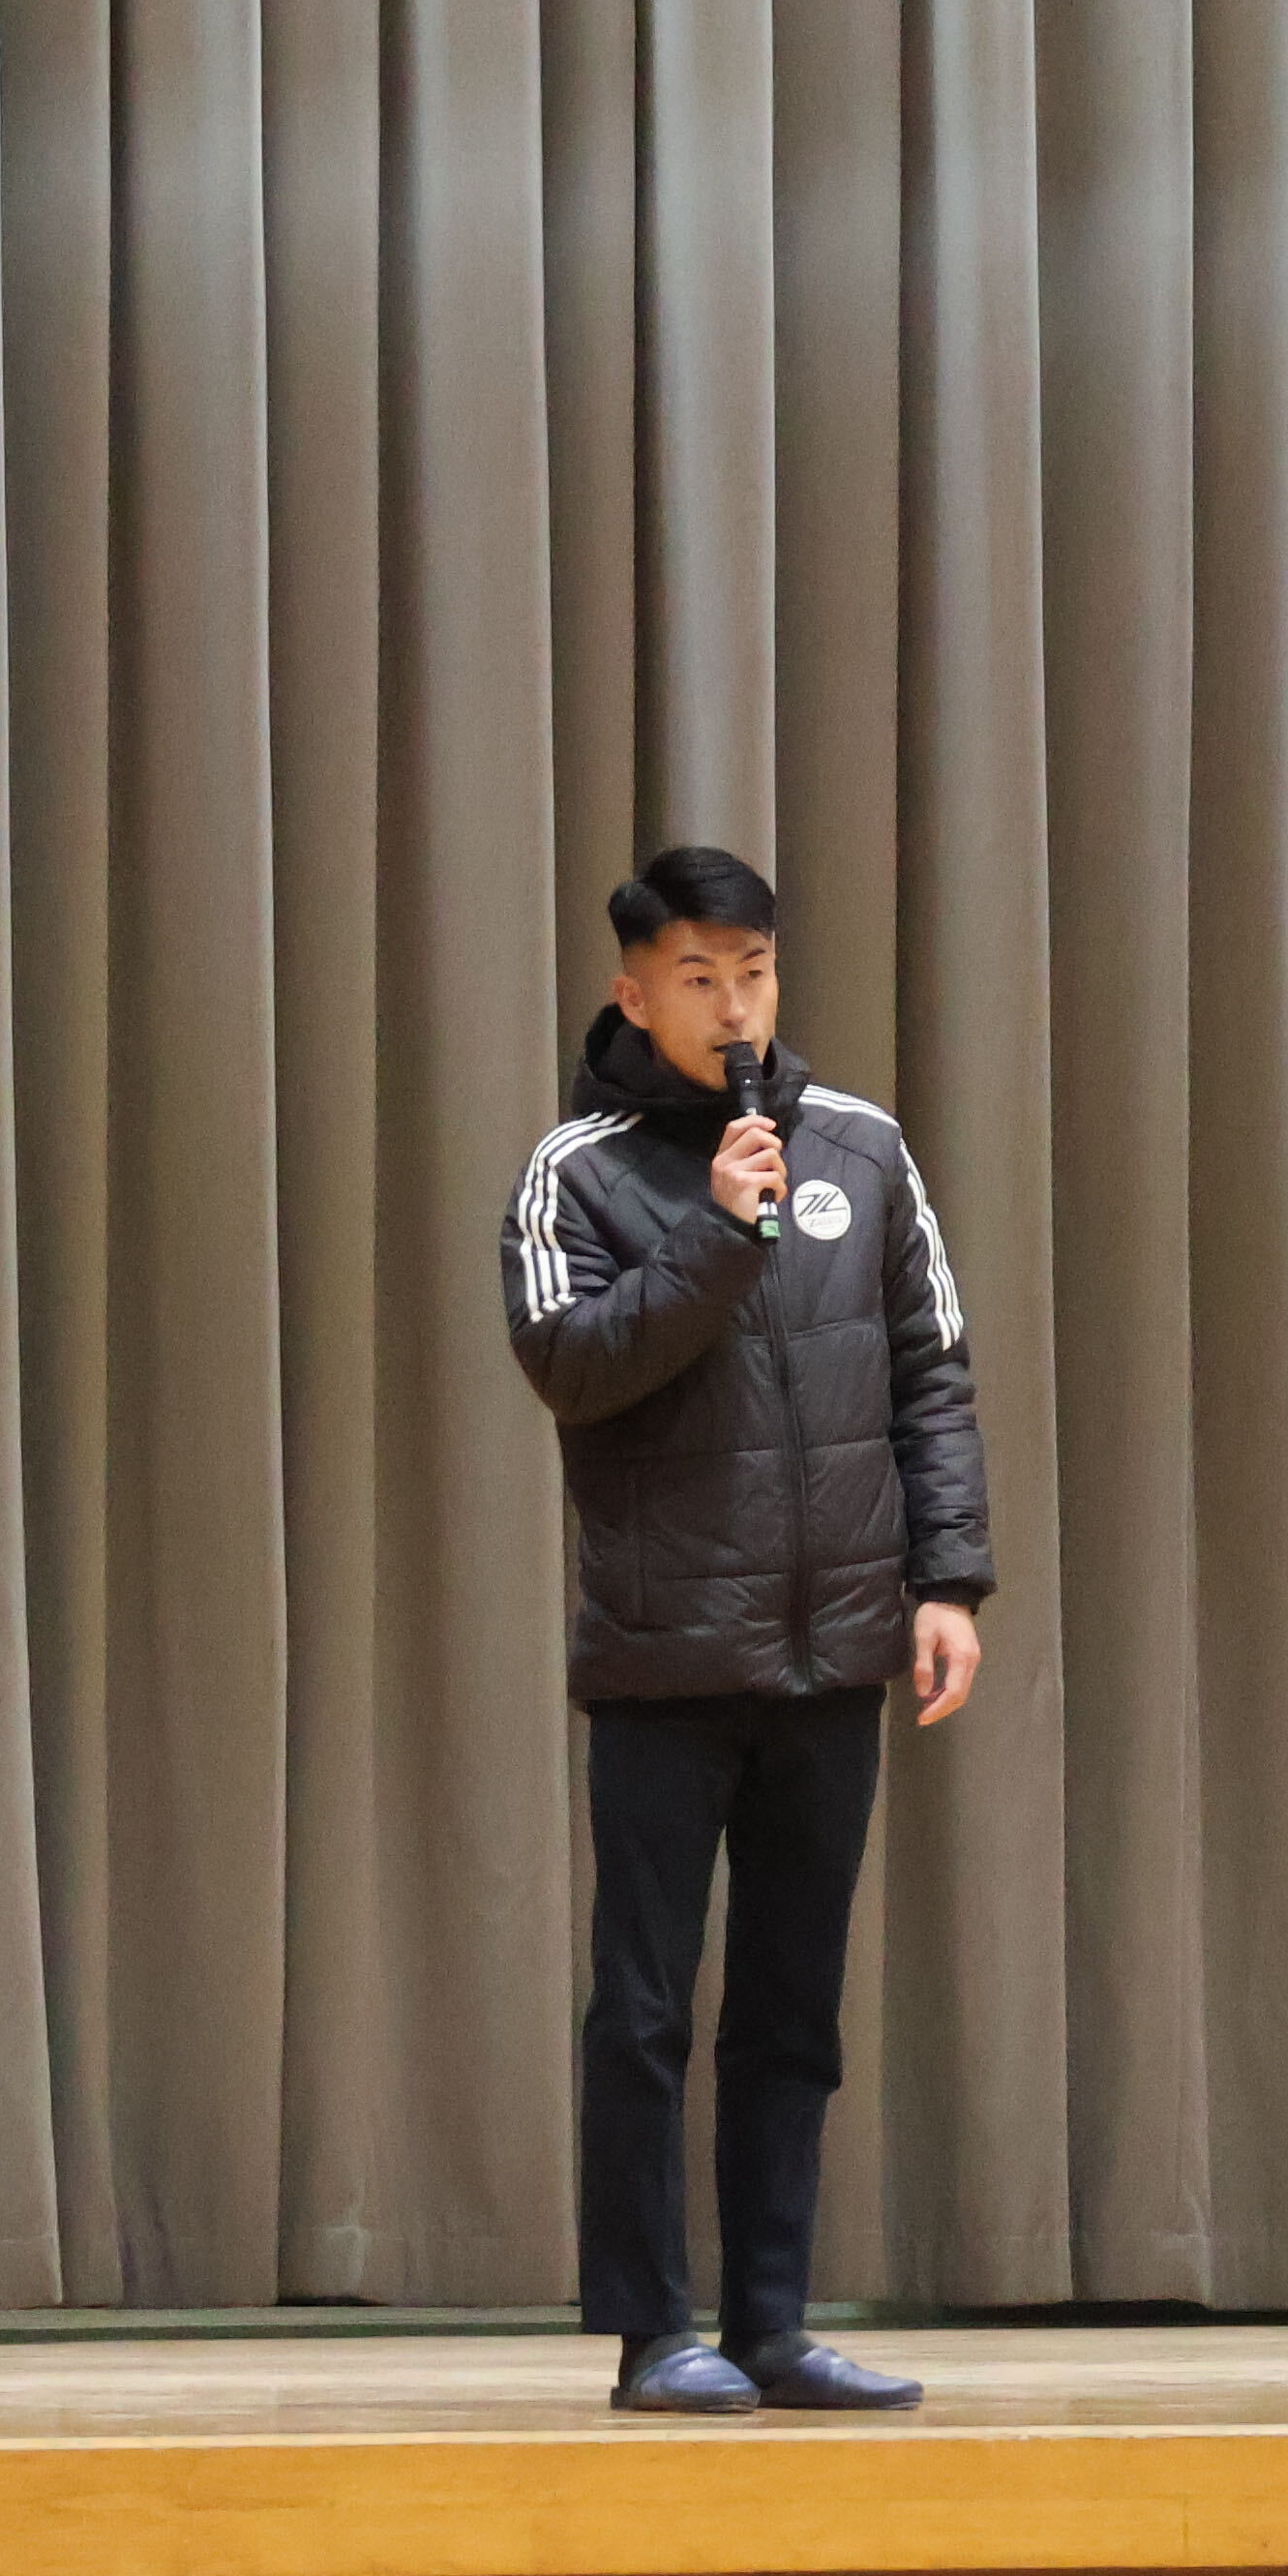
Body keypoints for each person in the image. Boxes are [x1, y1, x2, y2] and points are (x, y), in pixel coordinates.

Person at [506, 847, 990, 2416]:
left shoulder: (861, 1146)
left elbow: (930, 1370)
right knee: (646, 2010)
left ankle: (773, 2323)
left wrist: (945, 1583)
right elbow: (574, 1366)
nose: (735, 1007)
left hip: (833, 1645)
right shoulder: (574, 1172)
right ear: (634, 993)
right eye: (700, 979)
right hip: (665, 1654)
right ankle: (655, 2332)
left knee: (793, 2010)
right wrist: (718, 1230)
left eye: (756, 973)